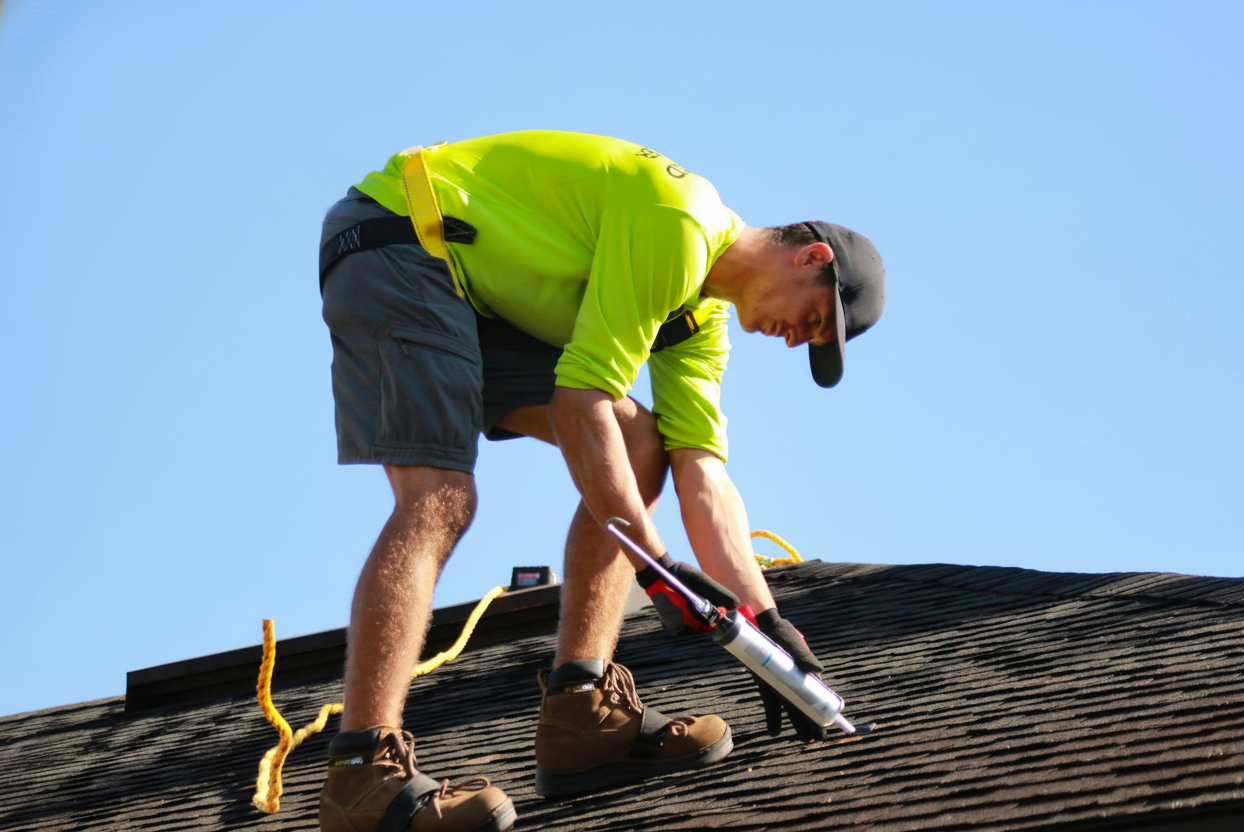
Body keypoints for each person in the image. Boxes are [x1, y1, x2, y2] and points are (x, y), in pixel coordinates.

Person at [316, 131, 886, 832]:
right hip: (404, 242)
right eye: (816, 320)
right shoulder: (679, 221)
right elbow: (580, 401)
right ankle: (360, 776)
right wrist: (659, 568)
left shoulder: (699, 320)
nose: (799, 339)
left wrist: (769, 628)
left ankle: (581, 716)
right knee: (440, 498)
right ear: (813, 257)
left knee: (644, 443)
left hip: (480, 294)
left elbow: (702, 478)